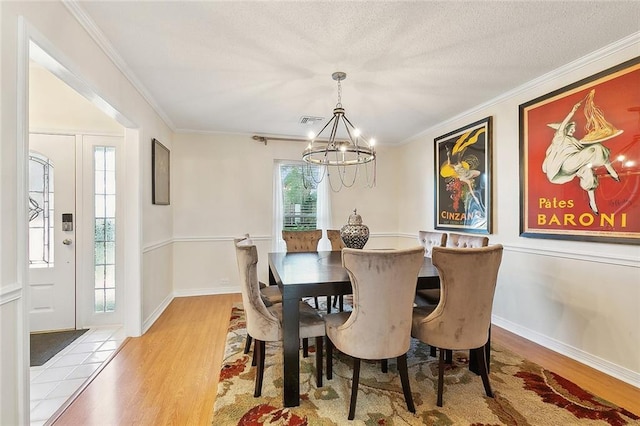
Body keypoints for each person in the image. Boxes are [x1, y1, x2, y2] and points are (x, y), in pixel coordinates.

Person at [542, 101, 619, 215]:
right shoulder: (559, 139)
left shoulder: (574, 141)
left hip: (575, 164)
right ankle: (610, 169)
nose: (573, 130)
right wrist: (572, 112)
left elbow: (584, 147)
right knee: (596, 148)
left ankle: (593, 203)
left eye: (574, 128)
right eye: (571, 128)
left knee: (588, 172)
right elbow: (561, 128)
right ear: (565, 129)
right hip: (568, 164)